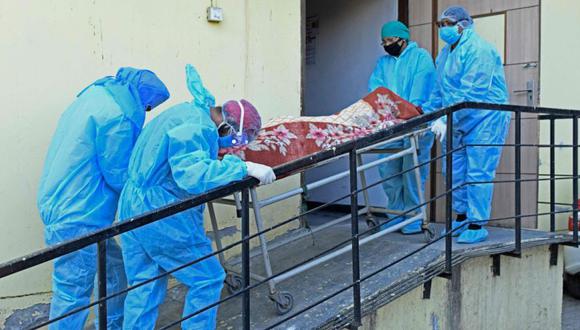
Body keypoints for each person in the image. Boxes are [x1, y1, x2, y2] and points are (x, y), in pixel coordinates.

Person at [118, 64, 276, 329]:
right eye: (235, 140)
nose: (231, 146)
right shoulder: (197, 128)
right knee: (208, 278)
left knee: (144, 284)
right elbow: (192, 174)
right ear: (227, 127)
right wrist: (244, 167)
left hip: (132, 205)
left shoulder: (189, 112)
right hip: (161, 213)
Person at [37, 68, 170, 329]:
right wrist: (156, 185)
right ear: (143, 98)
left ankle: (111, 325)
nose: (146, 111)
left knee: (114, 272)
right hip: (81, 214)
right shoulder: (119, 117)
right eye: (149, 106)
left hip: (62, 203)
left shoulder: (96, 95)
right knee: (73, 291)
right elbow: (119, 173)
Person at [429, 6, 510, 244]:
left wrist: (445, 118)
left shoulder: (479, 49)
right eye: (440, 24)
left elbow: (473, 90)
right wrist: (429, 112)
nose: (443, 28)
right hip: (456, 118)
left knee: (478, 171)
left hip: (485, 117)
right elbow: (438, 89)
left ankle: (477, 224)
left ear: (463, 24)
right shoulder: (443, 55)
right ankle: (461, 217)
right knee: (453, 170)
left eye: (448, 23)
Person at [368, 21, 436, 234]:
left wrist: (407, 113)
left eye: (390, 40)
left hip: (415, 123)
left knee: (412, 172)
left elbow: (420, 92)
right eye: (384, 41)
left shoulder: (421, 58)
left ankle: (414, 218)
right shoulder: (383, 63)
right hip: (390, 125)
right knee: (388, 171)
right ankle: (395, 216)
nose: (387, 45)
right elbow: (376, 90)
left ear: (402, 39)